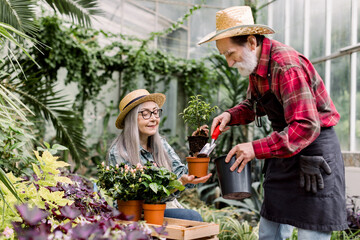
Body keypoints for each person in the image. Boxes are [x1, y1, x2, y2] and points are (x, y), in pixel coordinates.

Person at [198, 5, 347, 240]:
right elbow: (255, 104)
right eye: (224, 55)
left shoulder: (286, 66)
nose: (229, 62)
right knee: (269, 232)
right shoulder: (256, 66)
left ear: (250, 42)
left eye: (229, 53)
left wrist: (255, 148)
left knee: (311, 234)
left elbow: (306, 124)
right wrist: (231, 115)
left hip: (314, 152)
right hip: (284, 150)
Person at [108, 89, 211, 222]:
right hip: (135, 215)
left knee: (194, 221)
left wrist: (197, 151)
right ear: (131, 119)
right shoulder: (119, 152)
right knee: (192, 217)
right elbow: (140, 199)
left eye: (156, 112)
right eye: (145, 114)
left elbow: (185, 177)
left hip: (162, 208)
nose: (153, 118)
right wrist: (180, 183)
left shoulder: (161, 144)